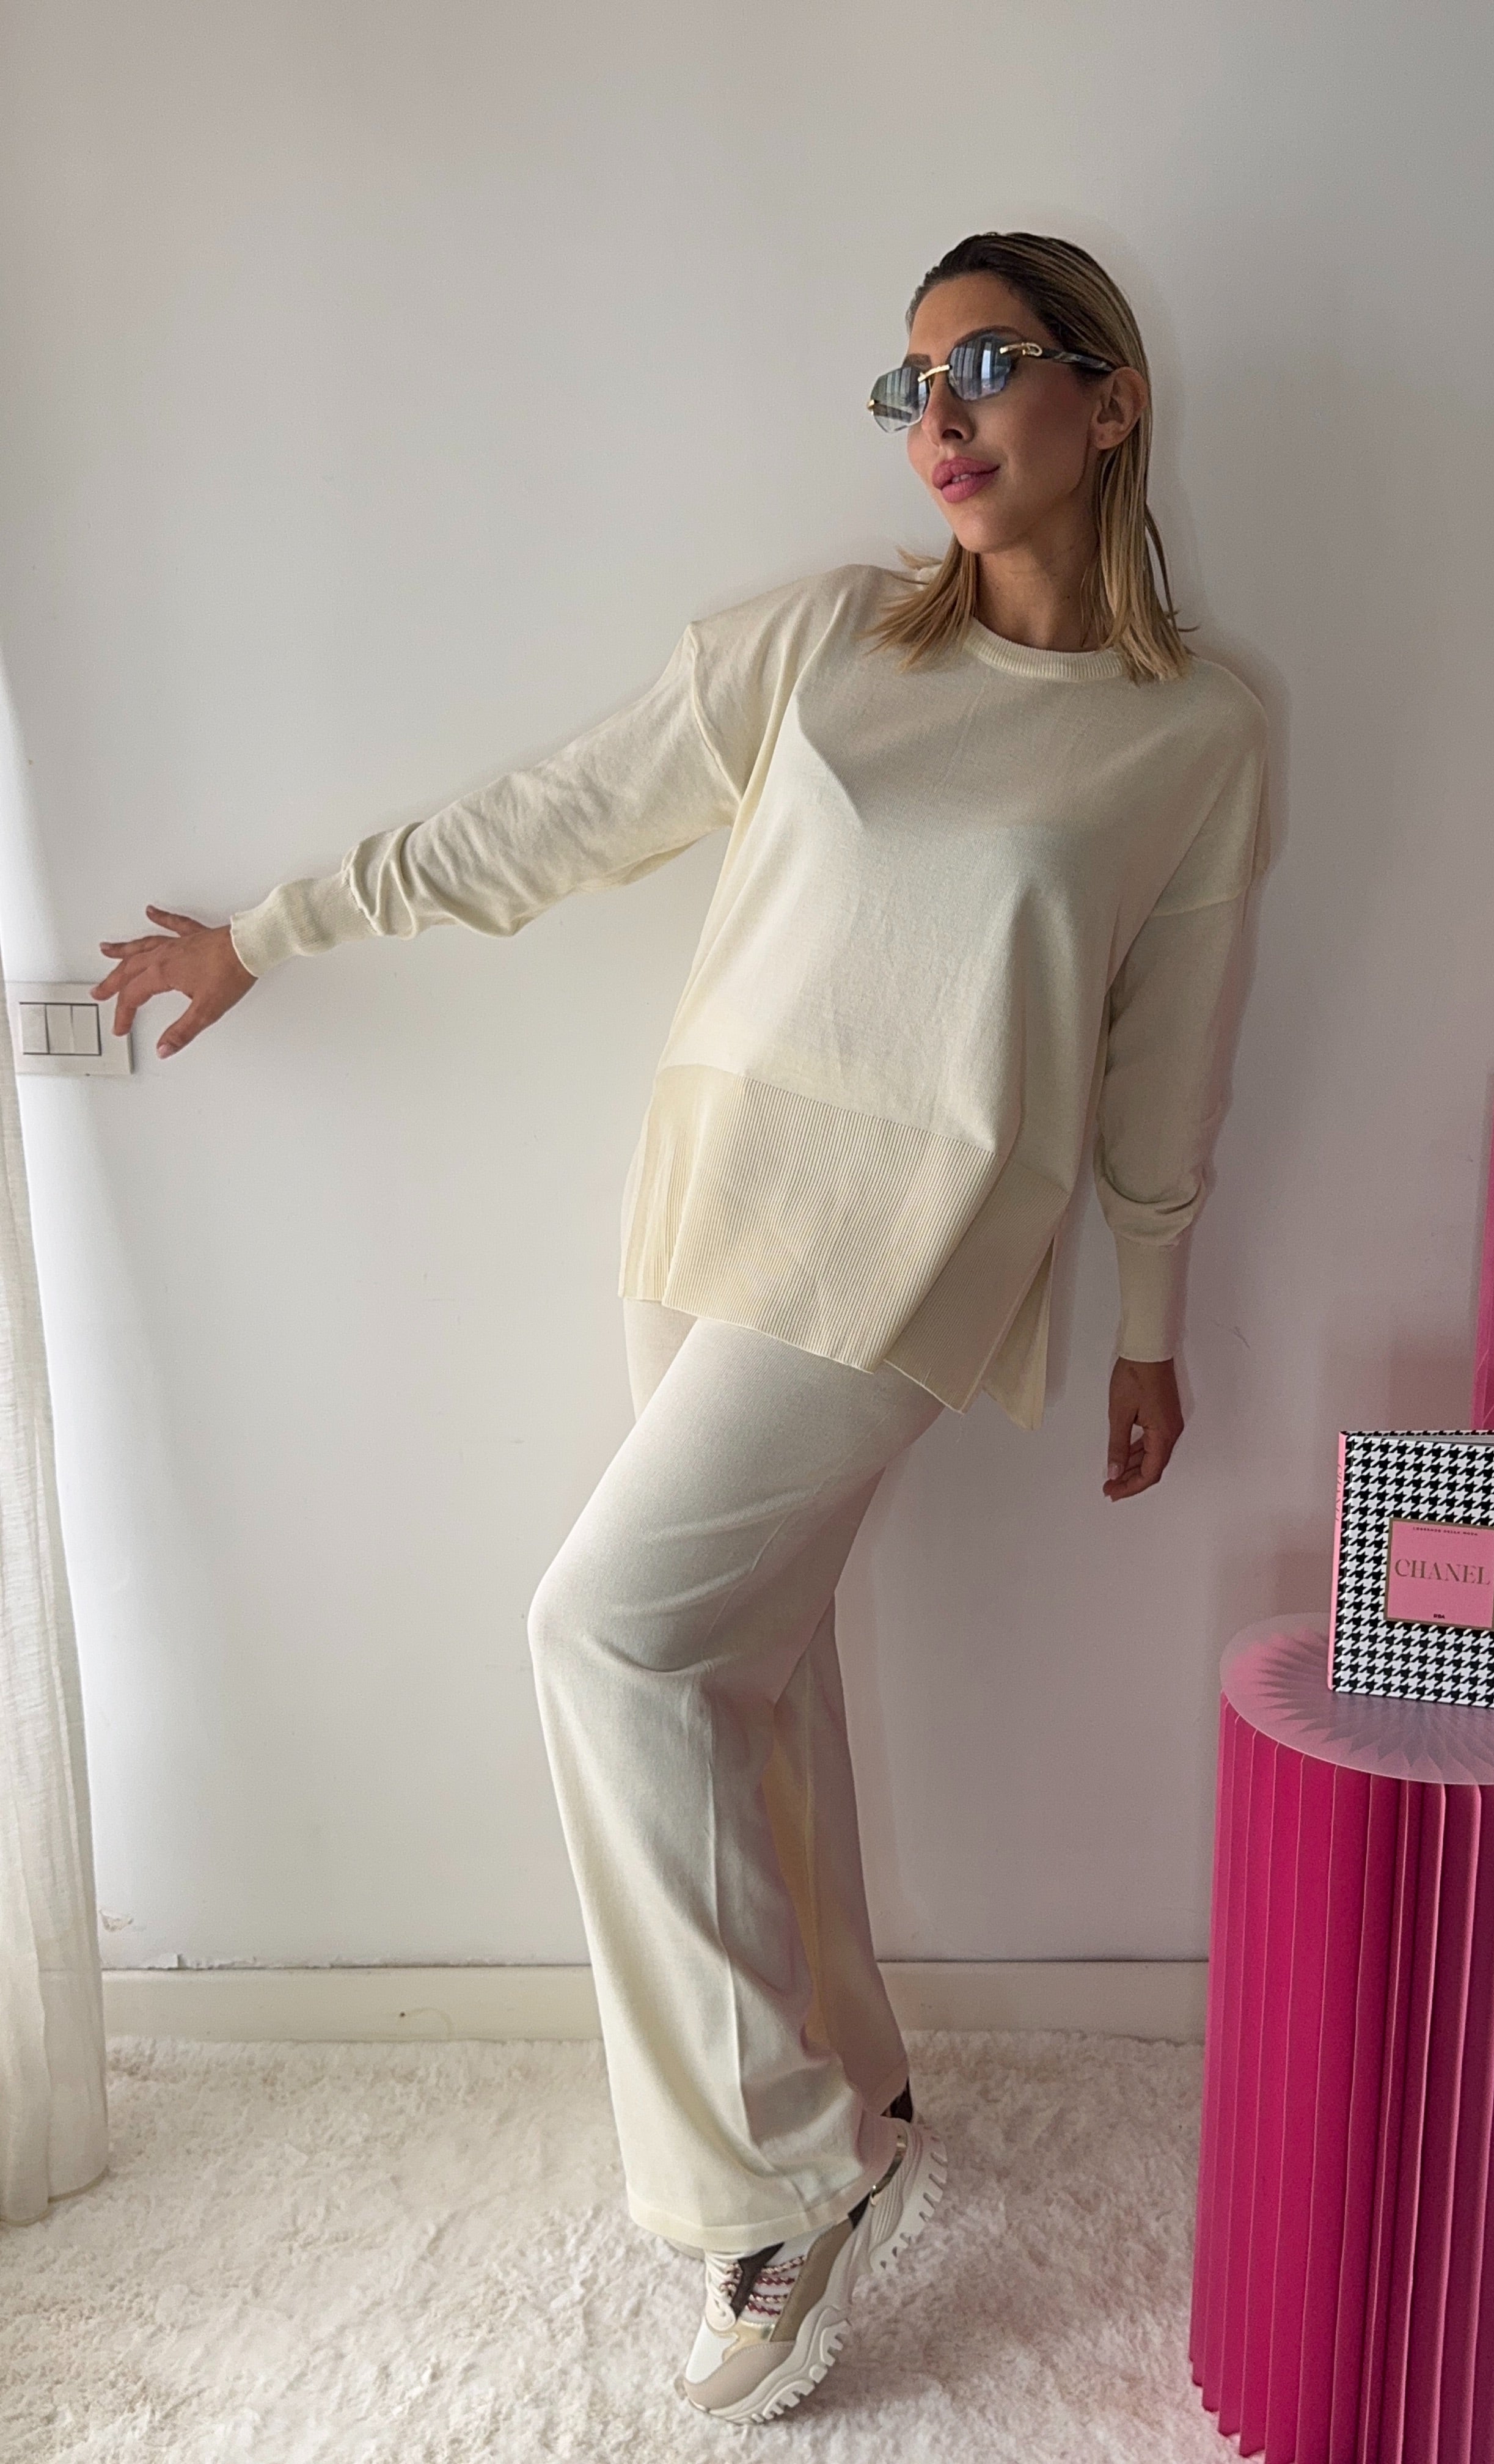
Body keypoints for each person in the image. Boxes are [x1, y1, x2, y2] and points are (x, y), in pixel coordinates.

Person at [91, 229, 1267, 2426]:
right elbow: (562, 816)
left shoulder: (1196, 732)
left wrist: (1152, 1316)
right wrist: (275, 927)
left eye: (989, 366)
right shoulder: (827, 641)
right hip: (714, 1195)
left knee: (608, 1640)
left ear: (1109, 401)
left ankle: (772, 2179)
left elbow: (1167, 1050)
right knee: (746, 1666)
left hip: (925, 1234)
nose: (938, 419)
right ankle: (861, 2090)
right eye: (910, 381)